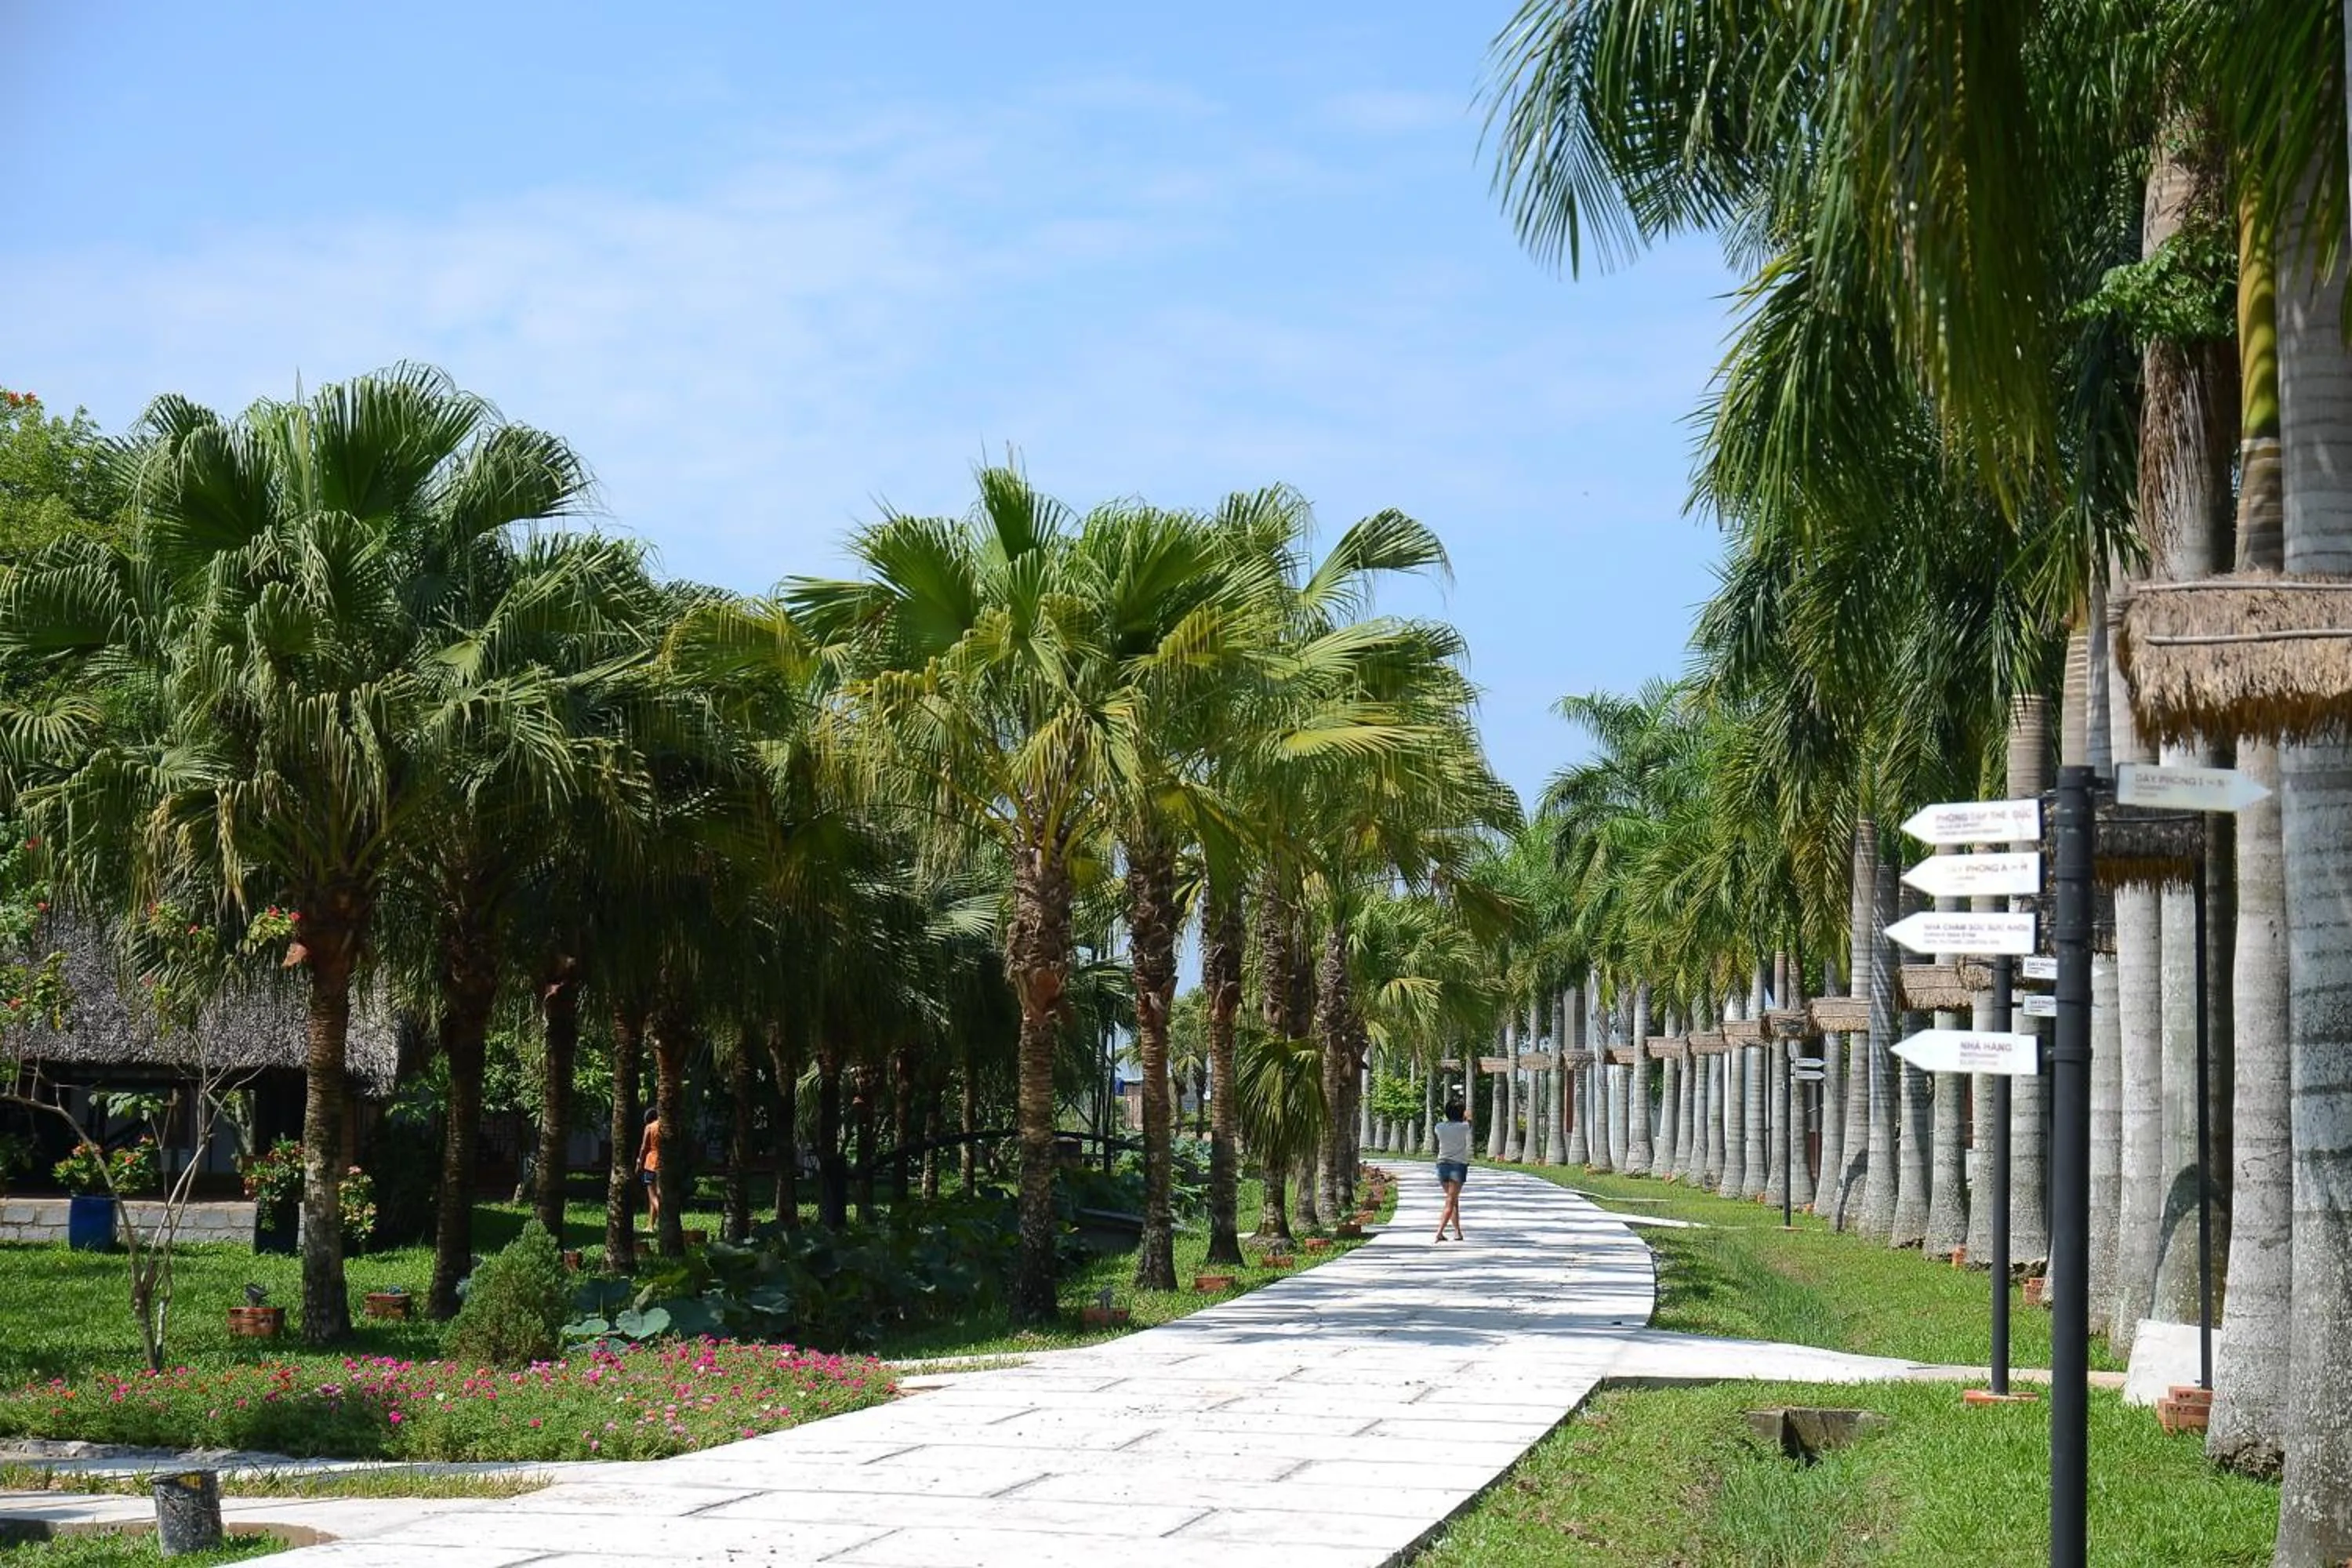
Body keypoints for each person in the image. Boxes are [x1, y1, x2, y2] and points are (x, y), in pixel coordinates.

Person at [1432, 1097, 1472, 1241]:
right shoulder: (1463, 1127)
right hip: (1457, 1166)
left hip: (1442, 1165)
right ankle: (1439, 1232)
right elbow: (1470, 1118)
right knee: (1451, 1200)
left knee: (1453, 1200)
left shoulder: (1439, 1127)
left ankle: (1457, 1232)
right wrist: (1465, 1114)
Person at [637, 1107, 662, 1227]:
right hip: (664, 1164)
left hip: (651, 1163)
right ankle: (650, 1225)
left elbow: (643, 1148)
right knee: (658, 1195)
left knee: (652, 1196)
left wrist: (639, 1162)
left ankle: (664, 1216)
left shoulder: (650, 1127)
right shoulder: (665, 1126)